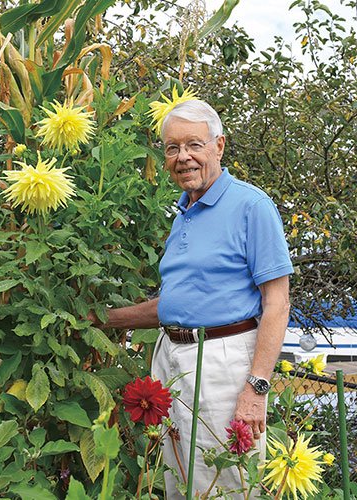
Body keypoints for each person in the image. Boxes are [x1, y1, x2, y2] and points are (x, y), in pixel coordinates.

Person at [90, 99, 292, 498]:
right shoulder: (184, 211)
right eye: (172, 148)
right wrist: (102, 319)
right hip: (173, 357)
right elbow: (176, 305)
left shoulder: (251, 206)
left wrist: (256, 389)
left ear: (218, 147)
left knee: (227, 483)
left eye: (194, 145)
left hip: (222, 360)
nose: (183, 157)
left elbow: (278, 304)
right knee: (179, 481)